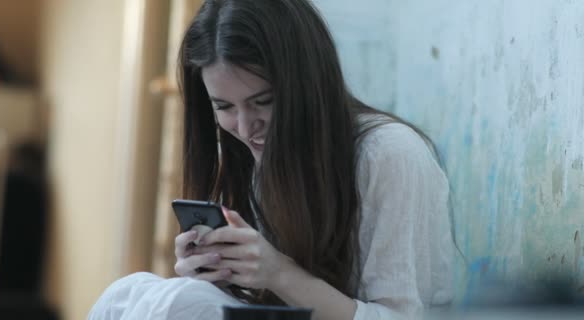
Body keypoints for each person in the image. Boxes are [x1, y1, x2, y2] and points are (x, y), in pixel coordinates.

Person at [89, 0, 454, 319]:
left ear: (306, 83)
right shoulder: (258, 160)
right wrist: (219, 271)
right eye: (224, 107)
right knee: (125, 294)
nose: (246, 128)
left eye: (263, 101)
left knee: (180, 305)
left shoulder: (390, 155)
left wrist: (277, 272)